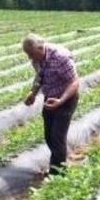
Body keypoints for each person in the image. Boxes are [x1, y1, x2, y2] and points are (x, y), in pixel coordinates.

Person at [22, 33, 80, 175]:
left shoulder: (60, 57)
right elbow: (40, 76)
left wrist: (61, 100)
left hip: (66, 98)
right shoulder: (37, 59)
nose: (30, 58)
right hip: (50, 97)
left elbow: (74, 82)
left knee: (57, 136)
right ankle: (58, 165)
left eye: (31, 54)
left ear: (40, 48)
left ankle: (57, 173)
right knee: (49, 136)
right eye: (28, 55)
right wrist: (33, 93)